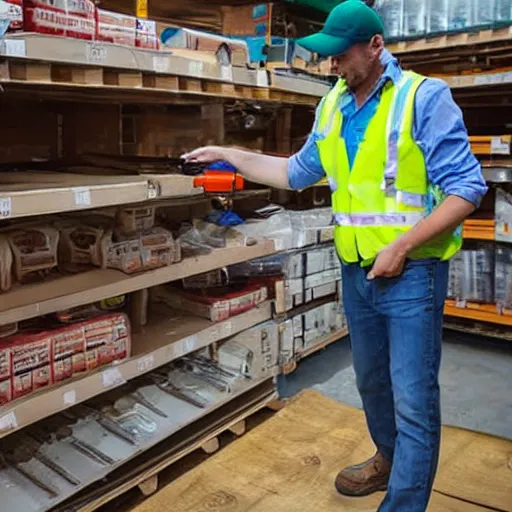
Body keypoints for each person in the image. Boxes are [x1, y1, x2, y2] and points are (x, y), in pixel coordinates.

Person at [183, 1, 488, 510]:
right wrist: (229, 154)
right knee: (372, 384)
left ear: (375, 46)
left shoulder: (422, 97)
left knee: (412, 399)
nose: (332, 66)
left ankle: (403, 503)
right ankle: (387, 458)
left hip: (412, 272)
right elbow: (295, 173)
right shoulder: (333, 105)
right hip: (358, 270)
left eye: (340, 56)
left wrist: (402, 247)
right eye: (328, 58)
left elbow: (466, 189)